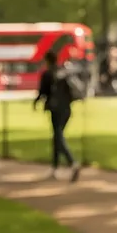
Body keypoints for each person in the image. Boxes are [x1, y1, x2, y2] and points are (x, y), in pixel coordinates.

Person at [33, 51, 81, 182]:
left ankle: (72, 163)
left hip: (55, 109)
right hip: (67, 109)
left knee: (58, 137)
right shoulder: (64, 72)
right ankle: (54, 168)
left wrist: (35, 102)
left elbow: (43, 92)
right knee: (57, 137)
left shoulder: (48, 74)